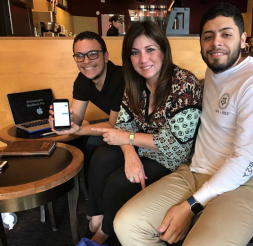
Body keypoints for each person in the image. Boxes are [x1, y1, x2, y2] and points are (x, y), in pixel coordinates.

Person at [114, 3, 253, 246]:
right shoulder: (213, 73)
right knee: (127, 224)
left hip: (245, 183)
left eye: (226, 34)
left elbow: (247, 160)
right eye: (208, 36)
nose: (216, 43)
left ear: (243, 39)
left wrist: (190, 206)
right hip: (195, 172)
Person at [77, 21, 202, 246]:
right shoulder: (135, 83)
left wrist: (128, 139)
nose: (143, 59)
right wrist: (130, 153)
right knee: (102, 155)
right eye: (135, 52)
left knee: (118, 182)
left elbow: (175, 145)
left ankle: (101, 235)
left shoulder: (185, 84)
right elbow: (124, 125)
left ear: (163, 50)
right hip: (142, 148)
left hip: (171, 159)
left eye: (150, 49)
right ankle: (96, 218)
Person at [49, 31, 124, 182]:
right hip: (117, 123)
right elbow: (77, 117)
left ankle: (94, 186)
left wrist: (81, 130)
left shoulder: (120, 79)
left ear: (106, 56)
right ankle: (84, 188)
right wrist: (69, 121)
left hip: (136, 129)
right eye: (80, 55)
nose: (86, 61)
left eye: (93, 54)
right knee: (76, 142)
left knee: (92, 142)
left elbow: (114, 124)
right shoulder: (82, 81)